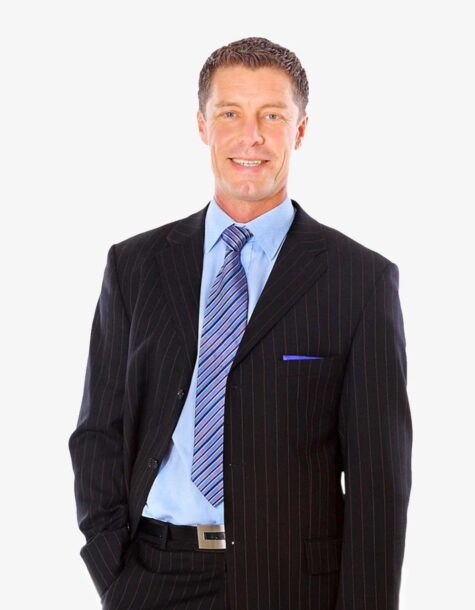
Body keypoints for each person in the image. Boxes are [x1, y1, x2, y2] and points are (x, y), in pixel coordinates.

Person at [69, 36, 412, 610]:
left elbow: (380, 483)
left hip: (295, 585)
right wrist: (114, 570)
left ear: (300, 130)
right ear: (202, 125)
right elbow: (98, 432)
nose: (250, 136)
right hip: (152, 576)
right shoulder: (134, 266)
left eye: (271, 116)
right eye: (230, 113)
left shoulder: (360, 280)